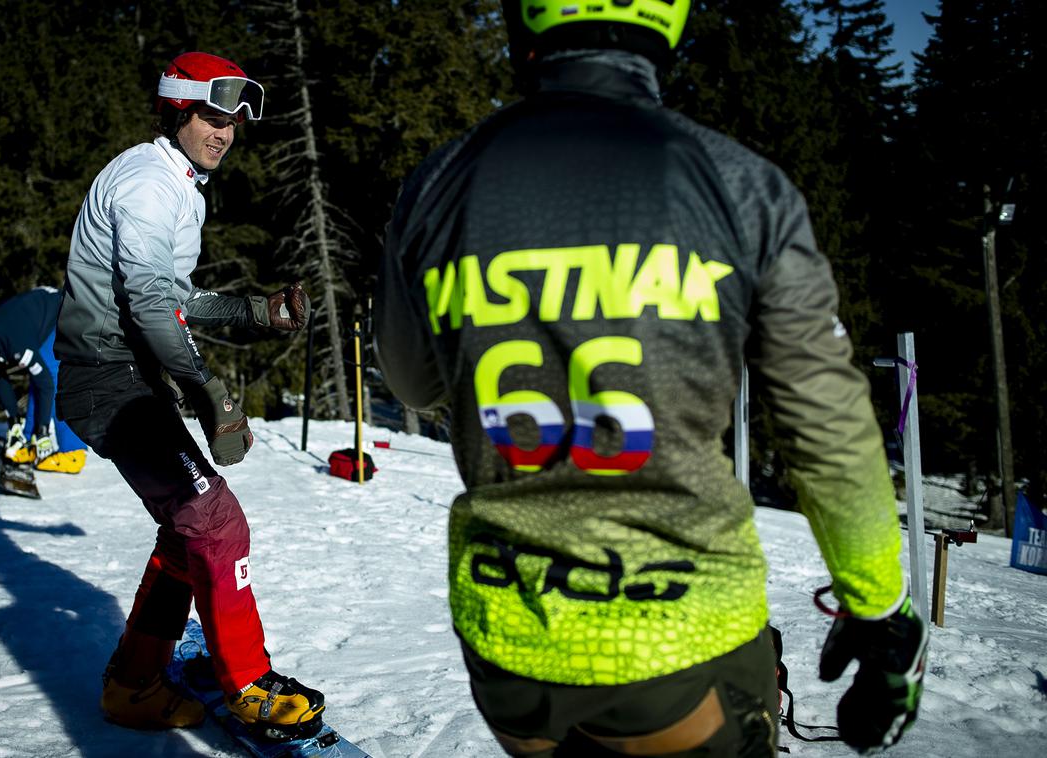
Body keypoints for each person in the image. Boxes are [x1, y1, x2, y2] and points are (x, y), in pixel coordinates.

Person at [375, 2, 927, 756]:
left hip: (509, 633)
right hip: (681, 631)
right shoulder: (740, 184)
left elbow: (410, 382)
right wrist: (878, 607)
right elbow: (825, 423)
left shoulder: (439, 180)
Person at [53, 51, 323, 734]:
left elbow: (171, 297)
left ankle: (135, 683)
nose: (225, 131)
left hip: (124, 377)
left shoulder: (176, 183)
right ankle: (249, 685)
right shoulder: (150, 183)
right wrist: (207, 390)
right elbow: (147, 305)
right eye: (211, 115)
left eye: (233, 119)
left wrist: (253, 314)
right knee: (214, 519)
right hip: (108, 378)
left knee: (188, 527)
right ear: (178, 110)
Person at [0, 286, 87, 473]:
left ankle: (73, 452)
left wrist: (43, 431)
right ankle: (27, 440)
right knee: (38, 378)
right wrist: (13, 421)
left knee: (53, 378)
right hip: (30, 317)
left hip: (56, 311)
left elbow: (45, 383)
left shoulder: (14, 343)